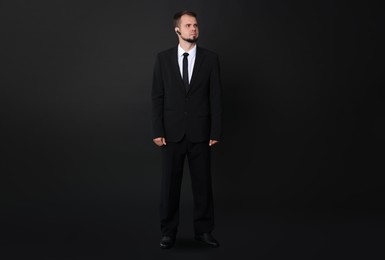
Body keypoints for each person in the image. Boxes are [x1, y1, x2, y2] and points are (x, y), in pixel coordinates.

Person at [151, 10, 222, 249]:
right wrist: (157, 129)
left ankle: (203, 231)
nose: (194, 29)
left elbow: (216, 98)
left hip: (201, 133)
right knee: (169, 186)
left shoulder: (210, 59)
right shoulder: (162, 59)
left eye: (196, 25)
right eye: (189, 25)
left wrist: (215, 131)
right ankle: (168, 232)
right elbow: (157, 97)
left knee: (203, 186)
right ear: (177, 30)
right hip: (171, 134)